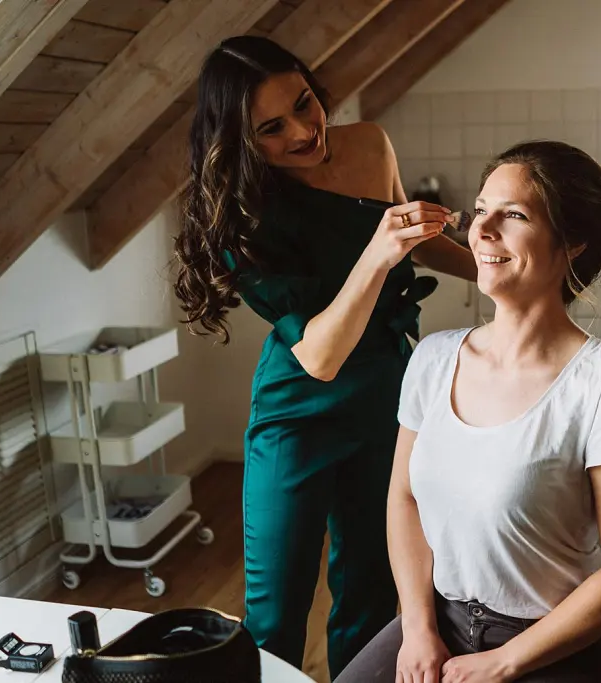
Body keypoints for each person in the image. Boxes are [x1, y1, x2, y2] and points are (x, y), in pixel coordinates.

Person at [171, 36, 476, 677]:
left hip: (386, 396)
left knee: (369, 597)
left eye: (304, 103)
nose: (304, 131)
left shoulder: (370, 144)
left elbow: (415, 242)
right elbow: (319, 356)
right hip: (298, 411)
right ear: (241, 140)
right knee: (275, 615)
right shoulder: (239, 214)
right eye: (272, 128)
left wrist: (505, 268)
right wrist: (379, 250)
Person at [337, 140, 601, 683]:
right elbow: (404, 498)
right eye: (480, 210)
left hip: (558, 642)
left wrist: (502, 662)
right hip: (441, 621)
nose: (482, 230)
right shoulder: (433, 359)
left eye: (513, 215)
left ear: (572, 242)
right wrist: (417, 628)